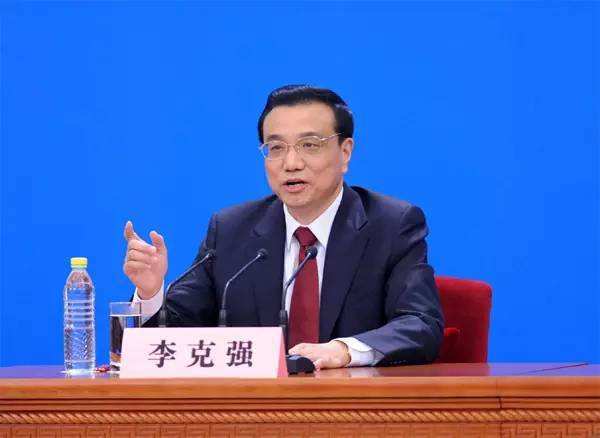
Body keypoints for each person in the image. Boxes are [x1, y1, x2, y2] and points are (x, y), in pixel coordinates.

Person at [123, 85, 444, 370]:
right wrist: (151, 293)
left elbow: (421, 323)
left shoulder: (391, 225)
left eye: (310, 145)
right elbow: (176, 336)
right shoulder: (232, 230)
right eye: (276, 148)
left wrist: (344, 350)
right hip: (254, 409)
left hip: (353, 407)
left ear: (345, 152)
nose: (291, 163)